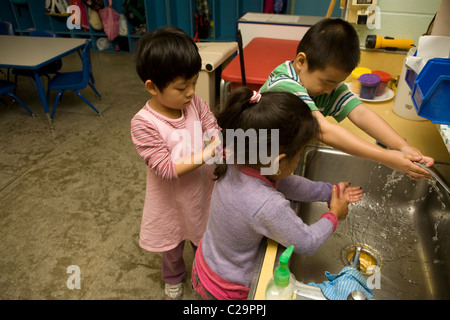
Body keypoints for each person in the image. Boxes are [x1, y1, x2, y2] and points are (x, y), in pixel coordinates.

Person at [191, 87, 364, 300]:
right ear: (278, 161)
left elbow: (285, 182)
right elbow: (307, 242)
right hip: (226, 290)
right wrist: (334, 215)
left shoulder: (237, 156)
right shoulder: (266, 205)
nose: (299, 159)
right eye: (300, 154)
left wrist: (328, 192)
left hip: (204, 265)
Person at [259, 18, 434, 180]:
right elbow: (323, 130)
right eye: (326, 82)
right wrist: (387, 157)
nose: (329, 91)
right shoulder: (284, 86)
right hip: (256, 159)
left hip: (282, 159)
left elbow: (360, 112)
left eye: (336, 84)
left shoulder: (327, 85)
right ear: (301, 62)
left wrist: (401, 146)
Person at [131, 27, 220, 299]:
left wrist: (217, 140)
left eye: (194, 82)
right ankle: (173, 277)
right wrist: (209, 153)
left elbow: (211, 127)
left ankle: (201, 275)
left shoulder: (195, 104)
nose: (191, 92)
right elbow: (167, 168)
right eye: (182, 87)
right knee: (171, 246)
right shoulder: (144, 124)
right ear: (152, 86)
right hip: (169, 202)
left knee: (202, 240)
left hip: (199, 193)